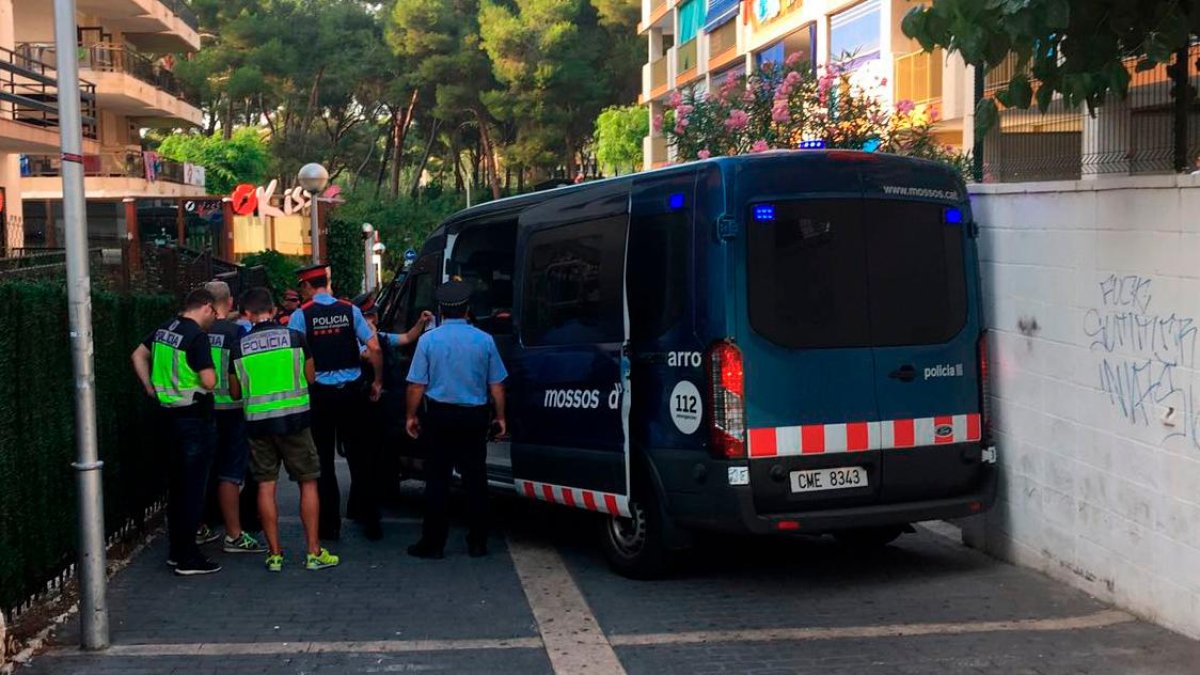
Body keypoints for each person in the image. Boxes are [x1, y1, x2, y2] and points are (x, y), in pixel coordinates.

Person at [229, 287, 339, 572]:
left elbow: (234, 391)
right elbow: (311, 377)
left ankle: (275, 554)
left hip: (258, 425)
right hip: (295, 422)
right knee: (308, 481)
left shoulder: (239, 346)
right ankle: (313, 552)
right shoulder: (295, 338)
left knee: (265, 486)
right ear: (274, 310)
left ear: (247, 314)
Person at [406, 281, 508, 559]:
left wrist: (411, 415)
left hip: (439, 417)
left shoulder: (428, 340)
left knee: (437, 481)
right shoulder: (485, 340)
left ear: (441, 309)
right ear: (468, 309)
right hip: (474, 417)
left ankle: (433, 543)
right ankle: (478, 542)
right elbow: (497, 385)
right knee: (476, 480)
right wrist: (500, 417)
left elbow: (416, 385)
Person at [130, 288, 222, 576]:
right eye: (215, 314)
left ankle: (175, 551)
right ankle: (188, 557)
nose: (215, 319)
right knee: (193, 491)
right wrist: (214, 375)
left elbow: (137, 355)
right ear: (206, 307)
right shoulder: (197, 336)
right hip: (193, 419)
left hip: (166, 417)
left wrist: (149, 387)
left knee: (176, 488)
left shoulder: (164, 329)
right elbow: (208, 381)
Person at [288, 264, 383, 541]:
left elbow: (295, 357)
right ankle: (371, 519)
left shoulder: (300, 315)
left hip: (319, 397)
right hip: (352, 394)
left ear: (306, 287)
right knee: (361, 457)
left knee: (324, 462)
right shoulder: (349, 310)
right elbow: (374, 347)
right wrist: (377, 381)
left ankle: (330, 526)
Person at [201, 281, 267, 555]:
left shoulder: (196, 331)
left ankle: (200, 525)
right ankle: (234, 534)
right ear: (228, 302)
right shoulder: (236, 332)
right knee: (230, 473)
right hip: (232, 409)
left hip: (201, 408)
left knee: (202, 470)